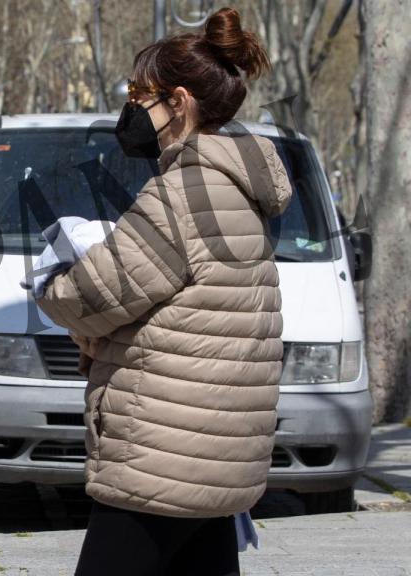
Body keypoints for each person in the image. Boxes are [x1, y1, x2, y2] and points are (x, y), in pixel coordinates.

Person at [36, 7, 292, 576]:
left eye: (138, 94)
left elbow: (94, 295)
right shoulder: (240, 190)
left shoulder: (182, 194)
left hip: (163, 453)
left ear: (177, 102)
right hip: (218, 448)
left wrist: (50, 286)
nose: (130, 109)